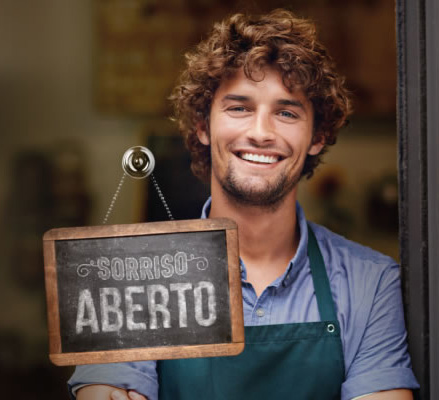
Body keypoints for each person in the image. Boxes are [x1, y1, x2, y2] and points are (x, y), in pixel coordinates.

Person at [69, 9, 419, 400]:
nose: (260, 133)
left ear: (317, 136)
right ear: (203, 125)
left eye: (286, 112)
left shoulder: (370, 284)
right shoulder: (129, 276)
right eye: (239, 107)